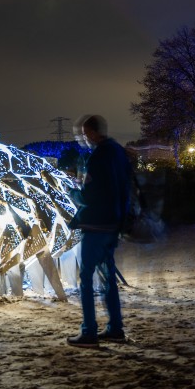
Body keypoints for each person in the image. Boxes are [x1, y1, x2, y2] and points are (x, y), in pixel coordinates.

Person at [66, 114, 132, 347]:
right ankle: (115, 328)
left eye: (83, 134)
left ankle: (89, 332)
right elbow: (125, 187)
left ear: (92, 132)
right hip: (114, 223)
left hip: (95, 225)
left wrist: (73, 191)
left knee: (86, 278)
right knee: (108, 278)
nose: (82, 139)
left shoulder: (97, 157)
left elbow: (89, 195)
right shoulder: (118, 153)